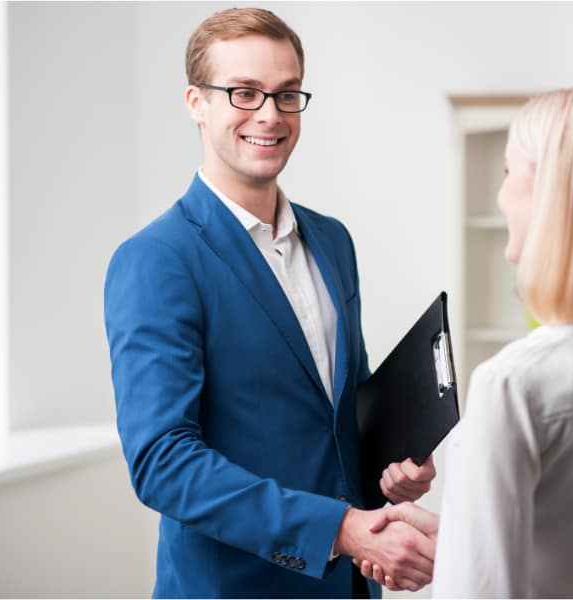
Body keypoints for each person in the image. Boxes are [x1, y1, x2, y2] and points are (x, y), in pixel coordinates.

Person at [103, 8, 436, 598]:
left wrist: (392, 469)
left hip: (348, 586)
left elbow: (343, 417)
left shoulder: (333, 241)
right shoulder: (156, 259)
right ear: (196, 103)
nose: (269, 115)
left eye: (286, 95)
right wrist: (341, 529)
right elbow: (163, 462)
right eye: (244, 93)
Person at [363, 87, 573, 597]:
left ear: (554, 196)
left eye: (509, 174)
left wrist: (466, 559)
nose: (501, 196)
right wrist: (463, 539)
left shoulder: (516, 382)